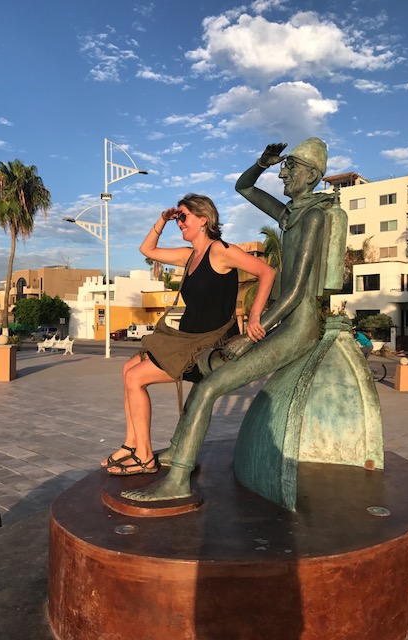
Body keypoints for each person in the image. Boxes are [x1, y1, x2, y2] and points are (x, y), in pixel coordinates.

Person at [121, 138, 339, 501]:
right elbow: (244, 187)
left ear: (312, 175)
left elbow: (293, 286)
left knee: (205, 389)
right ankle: (170, 451)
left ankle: (176, 480)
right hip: (226, 331)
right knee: (150, 375)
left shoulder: (311, 217)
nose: (283, 174)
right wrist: (262, 163)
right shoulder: (290, 215)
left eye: (290, 167)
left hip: (294, 325)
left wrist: (254, 327)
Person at [102, 193, 276, 476]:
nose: (180, 222)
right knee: (127, 369)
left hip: (209, 345)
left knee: (135, 378)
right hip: (186, 340)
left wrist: (255, 315)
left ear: (203, 219)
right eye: (178, 218)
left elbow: (267, 272)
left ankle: (145, 458)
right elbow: (147, 249)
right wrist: (163, 219)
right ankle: (132, 444)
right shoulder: (189, 255)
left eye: (183, 217)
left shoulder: (220, 251)